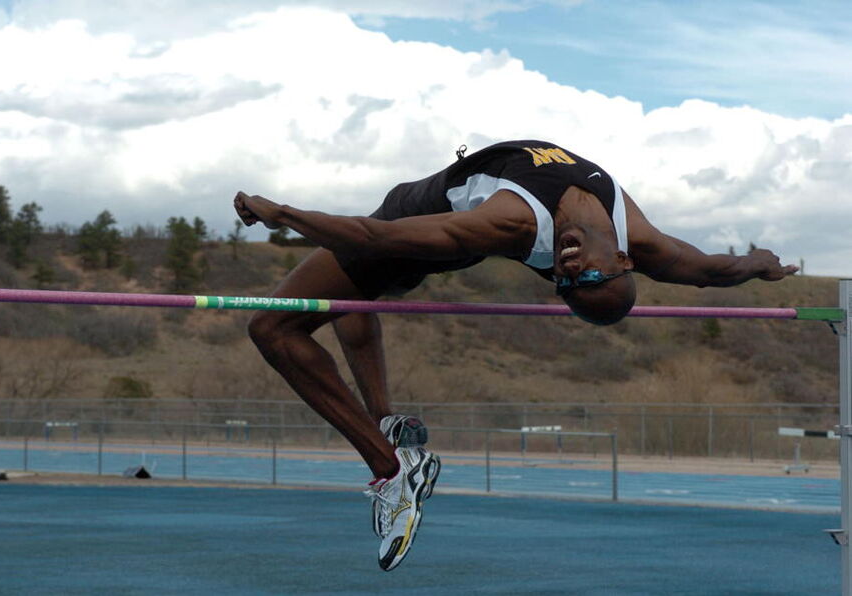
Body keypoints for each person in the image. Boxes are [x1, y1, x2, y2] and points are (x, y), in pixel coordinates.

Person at [233, 139, 797, 571]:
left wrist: (283, 215)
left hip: (408, 232)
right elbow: (712, 270)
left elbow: (377, 240)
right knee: (350, 303)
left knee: (273, 328)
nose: (568, 270)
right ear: (626, 260)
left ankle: (390, 470)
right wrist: (761, 263)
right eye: (577, 278)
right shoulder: (644, 240)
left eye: (567, 281)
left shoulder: (513, 223)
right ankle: (388, 423)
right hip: (403, 218)